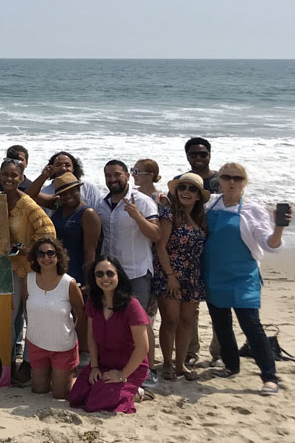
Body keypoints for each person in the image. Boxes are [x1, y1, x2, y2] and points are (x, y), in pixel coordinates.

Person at [203, 162, 287, 395]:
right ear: (219, 180)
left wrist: (279, 228)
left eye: (237, 178)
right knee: (221, 325)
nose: (232, 182)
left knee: (252, 327)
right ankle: (231, 366)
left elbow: (269, 244)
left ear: (244, 182)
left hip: (242, 277)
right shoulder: (210, 205)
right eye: (227, 177)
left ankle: (269, 376)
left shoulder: (253, 210)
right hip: (214, 275)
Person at [98, 159, 160, 387]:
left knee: (140, 324)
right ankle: (125, 367)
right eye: (108, 176)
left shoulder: (142, 202)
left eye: (117, 175)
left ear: (127, 175)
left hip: (136, 272)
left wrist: (137, 216)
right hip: (110, 275)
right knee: (114, 323)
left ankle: (150, 370)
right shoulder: (102, 204)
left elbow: (156, 234)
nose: (113, 179)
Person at [68, 256, 150, 413]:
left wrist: (121, 375)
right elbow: (91, 336)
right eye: (99, 274)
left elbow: (142, 347)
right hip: (104, 362)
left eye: (110, 273)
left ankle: (137, 392)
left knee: (98, 401)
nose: (105, 278)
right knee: (76, 396)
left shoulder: (132, 305)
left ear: (118, 275)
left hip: (129, 367)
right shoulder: (94, 302)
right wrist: (94, 367)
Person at [0, 157, 56, 378]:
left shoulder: (27, 204)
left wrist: (26, 249)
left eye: (14, 175)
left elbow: (49, 233)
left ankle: (30, 363)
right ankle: (9, 361)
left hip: (30, 270)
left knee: (32, 317)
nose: (9, 179)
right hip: (7, 269)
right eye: (5, 174)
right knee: (10, 316)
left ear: (21, 178)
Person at [153, 172, 208, 381]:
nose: (186, 192)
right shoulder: (168, 215)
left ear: (198, 196)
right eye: (182, 187)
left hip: (193, 275)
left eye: (192, 189)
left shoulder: (200, 218)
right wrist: (170, 276)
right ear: (176, 191)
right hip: (170, 273)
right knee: (170, 320)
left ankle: (180, 364)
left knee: (187, 321)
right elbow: (161, 246)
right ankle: (167, 364)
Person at [24, 237, 83, 399]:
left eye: (51, 253)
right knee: (39, 390)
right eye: (41, 254)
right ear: (35, 258)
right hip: (37, 343)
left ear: (58, 256)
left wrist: (70, 335)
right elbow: (25, 308)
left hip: (63, 347)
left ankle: (78, 377)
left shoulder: (69, 284)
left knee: (60, 394)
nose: (46, 258)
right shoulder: (28, 280)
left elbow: (81, 314)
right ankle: (57, 375)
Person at [48, 173, 102, 286]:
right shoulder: (59, 209)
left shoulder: (88, 214)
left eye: (71, 191)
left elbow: (90, 251)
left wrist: (89, 282)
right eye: (62, 194)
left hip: (78, 272)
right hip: (59, 270)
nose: (67, 196)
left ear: (79, 189)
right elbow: (31, 195)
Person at [27, 151, 106, 212]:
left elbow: (99, 212)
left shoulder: (89, 188)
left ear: (74, 168)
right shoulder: (46, 191)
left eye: (67, 165)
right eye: (58, 165)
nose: (63, 168)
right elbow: (28, 198)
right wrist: (43, 176)